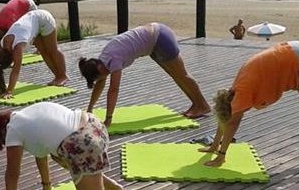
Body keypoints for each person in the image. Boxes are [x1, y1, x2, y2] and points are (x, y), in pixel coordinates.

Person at [201, 41, 299, 168]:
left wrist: (221, 157)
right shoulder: (232, 94)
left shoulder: (241, 92)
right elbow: (225, 120)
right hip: (294, 54)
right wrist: (214, 146)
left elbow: (231, 123)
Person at [78, 23, 211, 121]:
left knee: (182, 75)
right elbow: (100, 82)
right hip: (152, 43)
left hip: (160, 38)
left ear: (99, 69)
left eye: (98, 77)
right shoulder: (102, 61)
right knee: (176, 76)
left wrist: (108, 118)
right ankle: (196, 104)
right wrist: (90, 107)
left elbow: (113, 89)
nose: (101, 79)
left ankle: (203, 105)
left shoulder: (114, 59)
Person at [0, 102, 123, 190]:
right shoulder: (28, 116)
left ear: (3, 132)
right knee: (58, 155)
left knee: (68, 154)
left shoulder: (12, 129)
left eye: (3, 141)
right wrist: (47, 186)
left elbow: (12, 173)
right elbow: (41, 156)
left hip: (81, 144)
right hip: (95, 125)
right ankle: (111, 186)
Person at [0, 9, 69, 98]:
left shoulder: (18, 46)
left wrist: (9, 91)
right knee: (43, 52)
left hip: (43, 18)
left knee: (52, 49)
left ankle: (63, 76)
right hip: (33, 23)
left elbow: (16, 71)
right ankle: (57, 77)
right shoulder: (3, 44)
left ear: (12, 57)